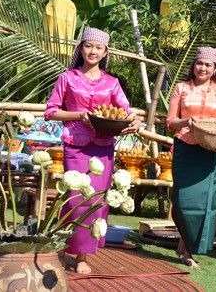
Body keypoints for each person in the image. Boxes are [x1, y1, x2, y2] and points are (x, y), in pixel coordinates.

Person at [45, 27, 141, 274]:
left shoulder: (112, 83)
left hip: (102, 147)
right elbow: (51, 111)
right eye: (88, 46)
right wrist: (79, 115)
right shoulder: (67, 78)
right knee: (75, 200)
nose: (93, 51)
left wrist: (136, 122)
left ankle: (82, 258)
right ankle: (62, 249)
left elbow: (126, 111)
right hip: (76, 145)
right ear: (81, 49)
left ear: (105, 52)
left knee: (95, 203)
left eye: (98, 48)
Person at [167, 47, 216, 268]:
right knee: (181, 200)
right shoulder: (181, 89)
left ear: (215, 68)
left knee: (203, 203)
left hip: (210, 151)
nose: (203, 68)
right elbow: (170, 122)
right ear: (193, 65)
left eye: (208, 65)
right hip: (185, 149)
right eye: (199, 63)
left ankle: (188, 250)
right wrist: (187, 122)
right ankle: (184, 239)